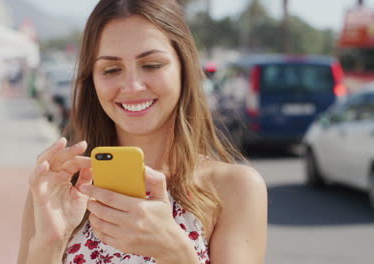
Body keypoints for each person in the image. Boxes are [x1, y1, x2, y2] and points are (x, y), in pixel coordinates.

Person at [18, 0, 267, 263]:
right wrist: (50, 243)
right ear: (92, 79)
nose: (132, 86)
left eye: (152, 65)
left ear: (184, 67)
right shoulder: (61, 188)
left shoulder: (234, 189)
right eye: (111, 69)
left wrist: (177, 254)